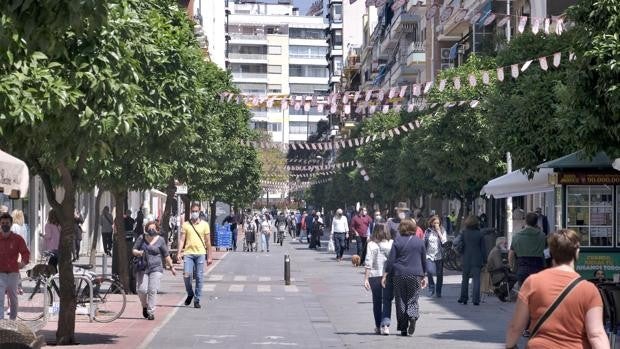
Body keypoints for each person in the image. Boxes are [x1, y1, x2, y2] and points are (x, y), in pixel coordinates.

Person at [505, 229, 610, 349]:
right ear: (577, 252)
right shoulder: (589, 290)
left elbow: (516, 327)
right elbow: (596, 334)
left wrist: (510, 345)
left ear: (550, 252)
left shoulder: (532, 282)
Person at [382, 219, 427, 337]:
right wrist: (424, 276)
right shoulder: (419, 242)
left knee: (400, 300)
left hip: (399, 274)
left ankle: (403, 328)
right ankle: (412, 316)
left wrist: (386, 274)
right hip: (415, 274)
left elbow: (391, 260)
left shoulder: (397, 241)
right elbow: (423, 260)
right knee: (413, 298)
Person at [132, 221, 176, 320]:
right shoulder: (141, 238)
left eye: (153, 228)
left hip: (156, 267)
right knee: (141, 290)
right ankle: (144, 306)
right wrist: (139, 252)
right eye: (149, 228)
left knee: (152, 290)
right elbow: (133, 250)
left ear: (157, 229)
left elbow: (166, 255)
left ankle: (151, 312)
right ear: (146, 229)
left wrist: (172, 267)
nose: (151, 230)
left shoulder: (160, 240)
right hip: (142, 267)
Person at [178, 203, 213, 309]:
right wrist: (179, 252)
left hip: (200, 254)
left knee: (199, 277)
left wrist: (209, 256)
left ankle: (197, 299)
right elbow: (182, 239)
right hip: (188, 254)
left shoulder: (205, 225)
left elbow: (208, 241)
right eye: (193, 211)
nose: (194, 213)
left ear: (199, 212)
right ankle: (190, 293)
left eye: (196, 211)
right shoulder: (186, 225)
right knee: (186, 275)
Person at [363, 223, 393, 335]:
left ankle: (377, 326)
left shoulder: (371, 244)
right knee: (387, 300)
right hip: (388, 275)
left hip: (374, 275)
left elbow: (368, 261)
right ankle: (385, 326)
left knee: (376, 302)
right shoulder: (391, 243)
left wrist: (366, 278)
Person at [0, 212, 30, 320]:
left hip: (13, 273)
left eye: (7, 223)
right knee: (0, 299)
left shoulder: (17, 239)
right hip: (0, 274)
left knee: (13, 299)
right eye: (3, 223)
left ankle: (12, 322)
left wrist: (23, 263)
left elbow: (26, 253)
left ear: (11, 224)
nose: (5, 225)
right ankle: (1, 325)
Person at [509, 212, 546, 287]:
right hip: (537, 266)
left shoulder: (517, 236)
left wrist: (512, 267)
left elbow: (511, 254)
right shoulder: (542, 236)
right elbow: (546, 251)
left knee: (523, 293)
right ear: (536, 222)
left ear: (525, 221)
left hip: (522, 267)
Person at [458, 215, 486, 306]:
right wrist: (485, 260)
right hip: (477, 259)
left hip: (466, 258)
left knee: (465, 279)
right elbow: (483, 249)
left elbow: (461, 246)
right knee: (476, 280)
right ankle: (476, 300)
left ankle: (464, 298)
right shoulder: (480, 234)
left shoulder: (464, 233)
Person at [486, 237, 517, 302]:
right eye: (505, 244)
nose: (506, 245)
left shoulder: (495, 249)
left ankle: (502, 293)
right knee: (515, 277)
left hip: (496, 272)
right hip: (496, 274)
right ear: (500, 244)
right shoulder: (496, 251)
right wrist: (508, 265)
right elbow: (499, 265)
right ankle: (501, 292)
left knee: (513, 276)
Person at [424, 215, 447, 298]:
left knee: (439, 274)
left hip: (439, 255)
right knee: (429, 271)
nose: (436, 224)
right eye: (435, 222)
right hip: (429, 255)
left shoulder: (443, 230)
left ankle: (438, 291)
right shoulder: (427, 231)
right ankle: (431, 287)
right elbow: (424, 242)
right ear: (432, 223)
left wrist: (439, 232)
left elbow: (444, 242)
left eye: (438, 222)